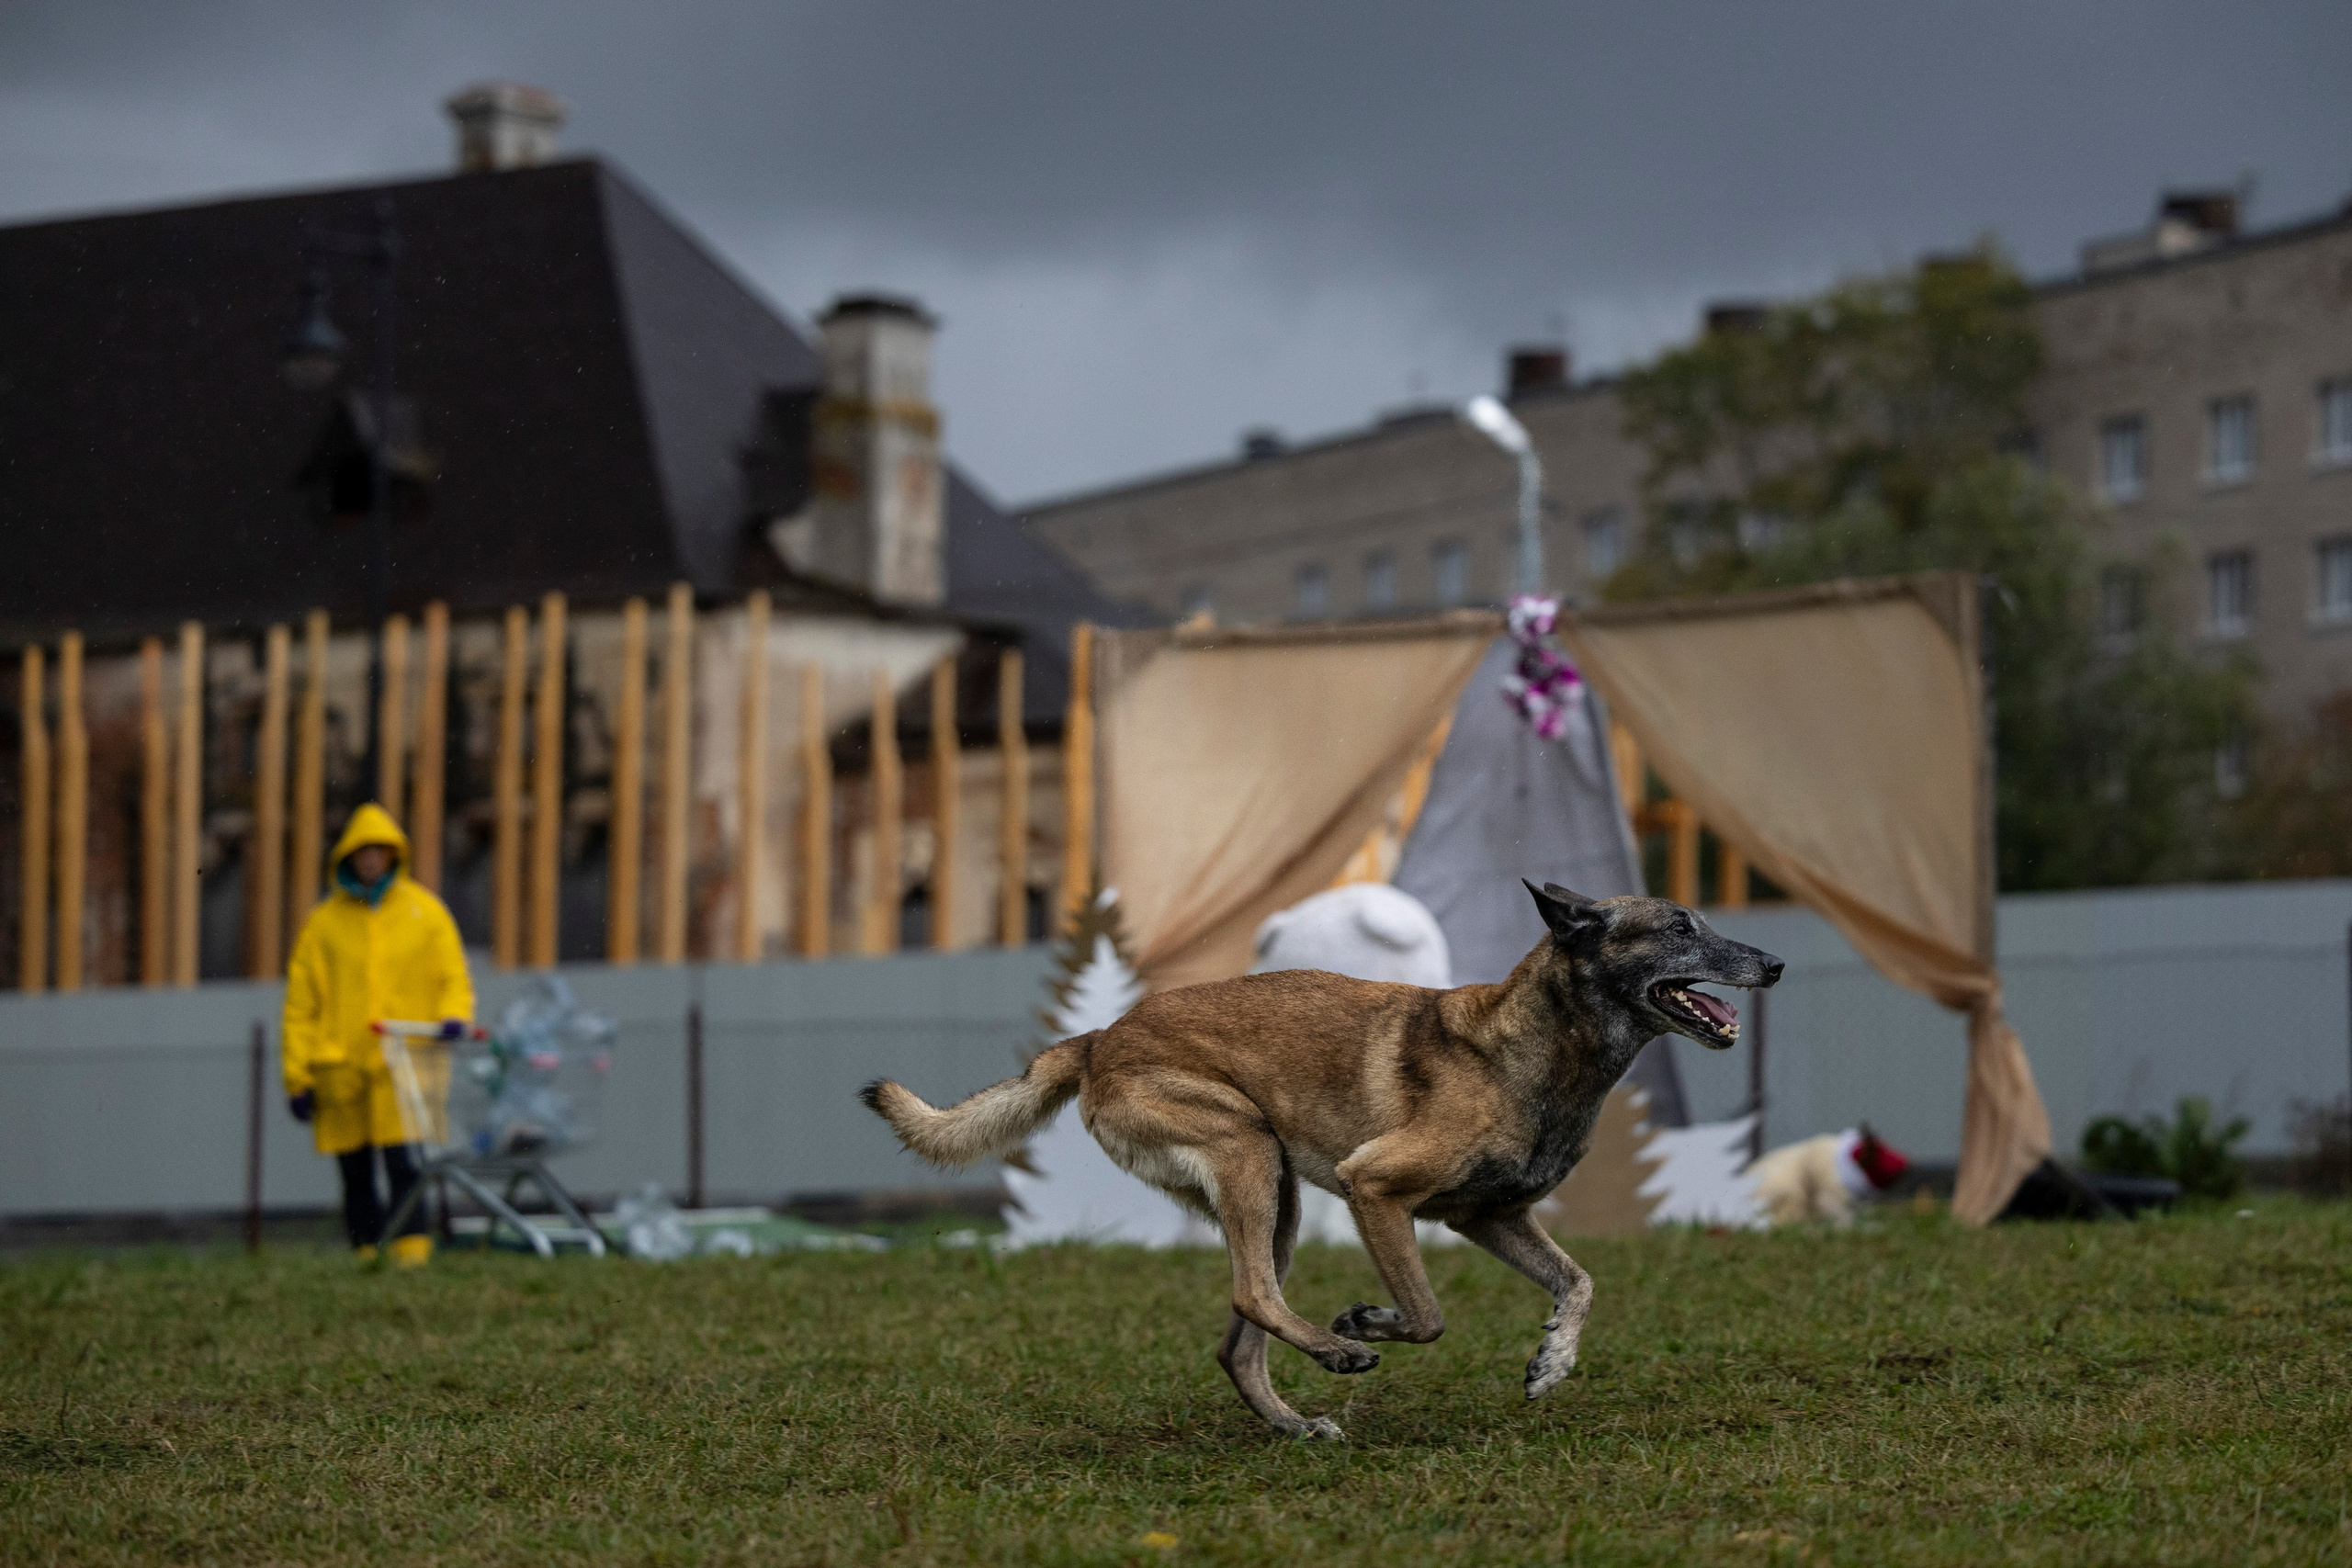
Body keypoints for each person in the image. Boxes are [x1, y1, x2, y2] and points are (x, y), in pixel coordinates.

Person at [283, 803, 474, 1265]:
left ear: (393, 856)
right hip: (341, 1066)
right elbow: (301, 1005)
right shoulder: (323, 925)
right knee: (355, 1169)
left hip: (405, 1063)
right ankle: (365, 1251)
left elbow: (452, 975)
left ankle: (411, 1248)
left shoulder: (424, 913)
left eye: (379, 852)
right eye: (363, 852)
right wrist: (297, 1076)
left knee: (405, 1161)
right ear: (348, 856)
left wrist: (453, 1016)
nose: (371, 861)